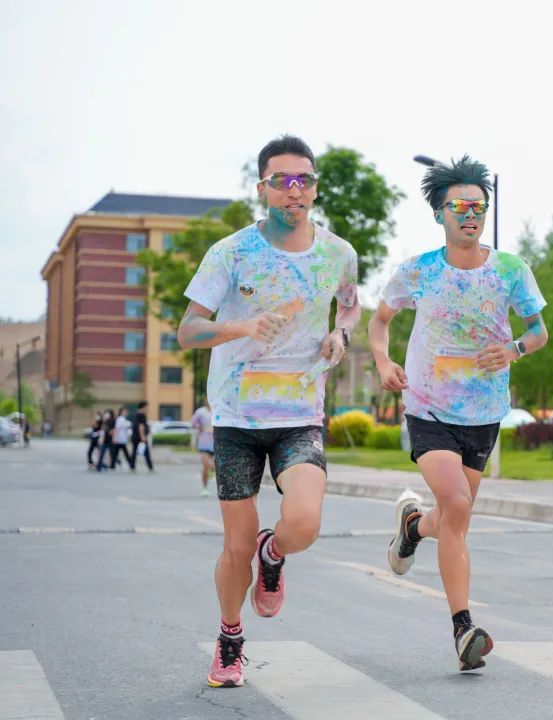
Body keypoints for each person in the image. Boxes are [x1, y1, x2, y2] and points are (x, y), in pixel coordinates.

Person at [177, 135, 360, 689]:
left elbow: (349, 307)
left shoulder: (338, 253)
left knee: (303, 523)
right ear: (263, 189)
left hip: (300, 414)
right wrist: (243, 326)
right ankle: (230, 638)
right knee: (235, 546)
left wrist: (340, 336)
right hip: (236, 418)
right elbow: (188, 331)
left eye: (303, 180)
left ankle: (273, 552)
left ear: (315, 188)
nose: (293, 190)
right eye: (281, 181)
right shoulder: (230, 253)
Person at [371, 155, 548, 672]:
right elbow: (379, 322)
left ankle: (411, 527)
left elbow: (539, 331)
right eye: (460, 207)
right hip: (428, 407)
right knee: (457, 504)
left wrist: (514, 349)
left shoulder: (511, 270)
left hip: (484, 411)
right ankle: (462, 627)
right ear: (439, 214)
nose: (471, 216)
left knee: (452, 516)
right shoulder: (419, 270)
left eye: (478, 207)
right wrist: (382, 361)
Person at [191, 401, 215, 497]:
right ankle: (205, 488)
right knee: (206, 465)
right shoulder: (200, 412)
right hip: (204, 443)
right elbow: (193, 423)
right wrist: (199, 426)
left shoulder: (219, 410)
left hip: (217, 443)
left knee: (216, 466)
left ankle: (213, 470)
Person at [131, 401, 154, 472]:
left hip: (135, 436)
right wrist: (143, 436)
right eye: (147, 407)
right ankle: (150, 467)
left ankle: (132, 466)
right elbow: (141, 426)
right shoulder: (142, 415)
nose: (147, 408)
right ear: (143, 407)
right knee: (146, 452)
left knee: (134, 451)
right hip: (140, 437)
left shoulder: (136, 414)